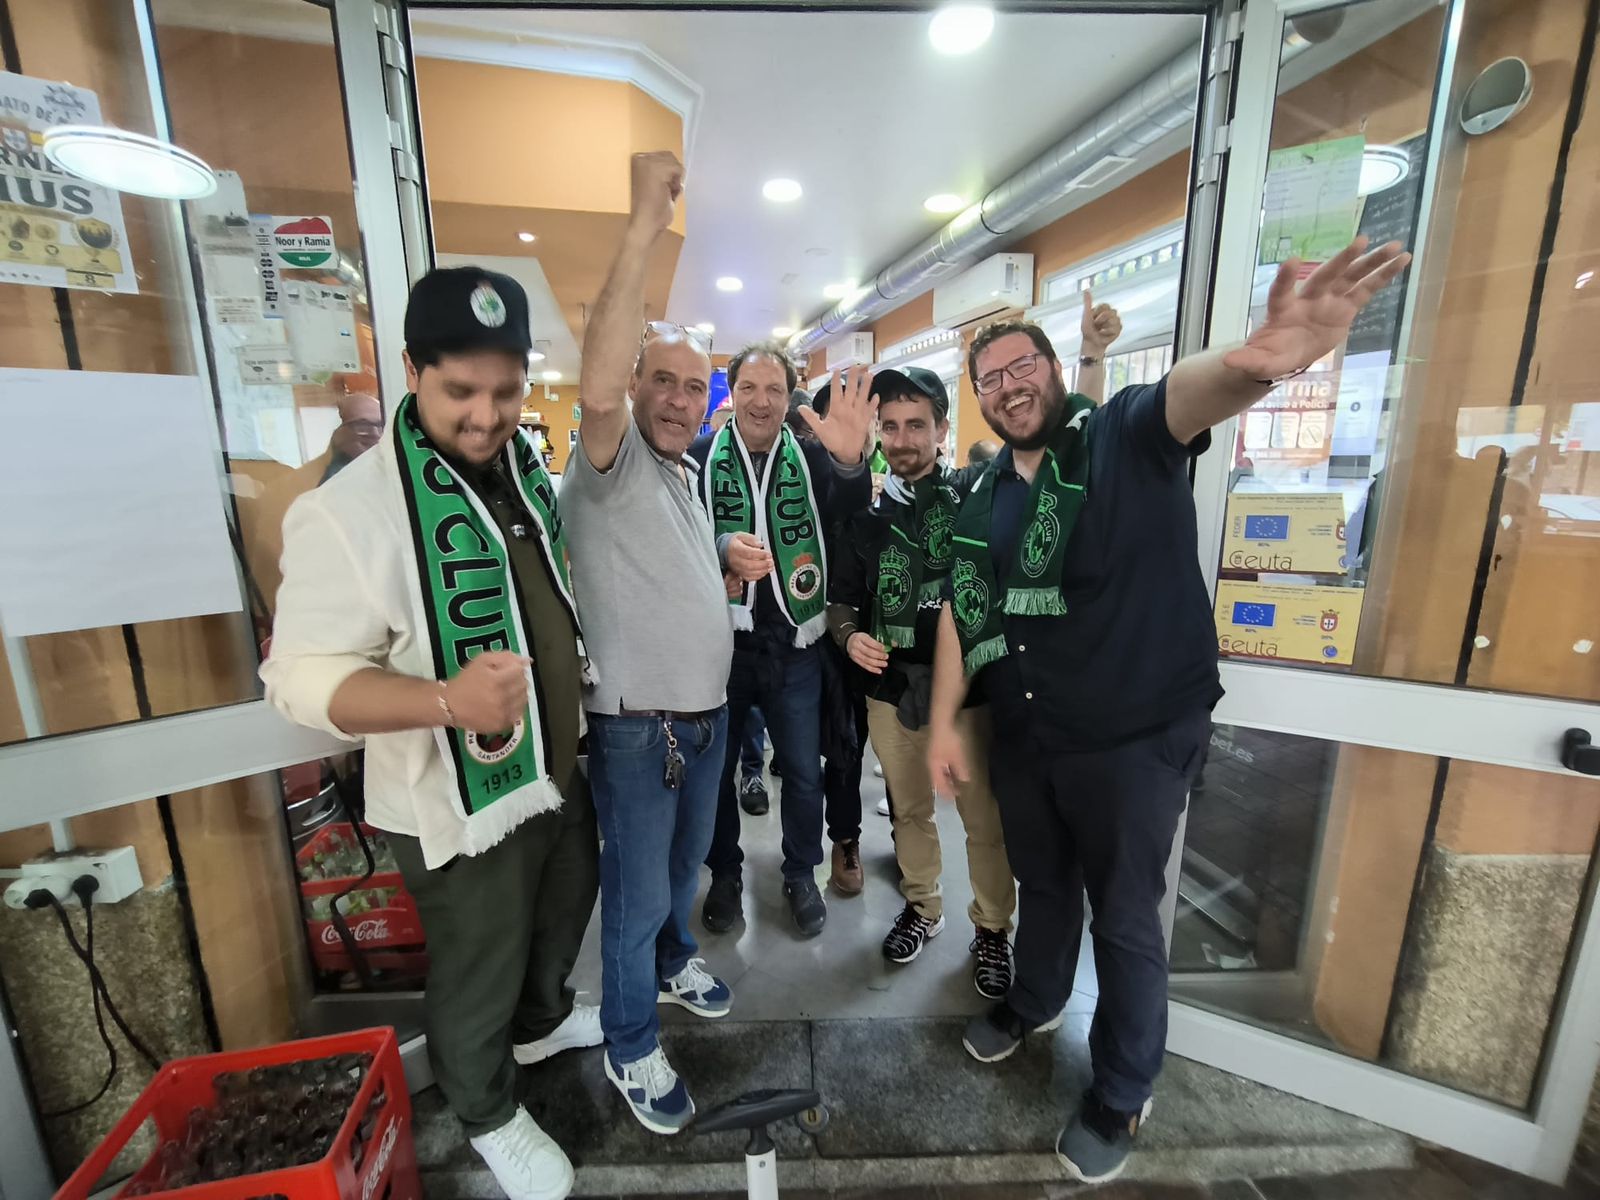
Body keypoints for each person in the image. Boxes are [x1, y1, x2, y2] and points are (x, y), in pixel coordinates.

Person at [927, 237, 1410, 1185]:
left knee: (1126, 916)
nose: (1011, 386)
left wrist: (1257, 360)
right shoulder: (981, 491)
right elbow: (958, 605)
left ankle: (1121, 1087)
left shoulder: (1118, 437)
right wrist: (947, 719)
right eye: (992, 378)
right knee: (1045, 886)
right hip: (1030, 732)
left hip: (1134, 734)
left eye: (1025, 366)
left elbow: (1189, 394)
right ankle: (1034, 1001)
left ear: (1058, 373)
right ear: (978, 400)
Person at [263, 265, 607, 1200]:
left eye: (504, 391)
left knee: (563, 912)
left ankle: (539, 1024)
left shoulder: (516, 475)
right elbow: (297, 683)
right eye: (461, 390)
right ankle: (486, 1106)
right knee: (480, 960)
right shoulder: (348, 511)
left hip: (548, 770)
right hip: (453, 795)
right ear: (411, 371)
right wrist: (445, 704)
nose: (487, 414)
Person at [560, 151, 757, 1137]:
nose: (681, 398)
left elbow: (658, 563)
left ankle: (677, 961)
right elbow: (594, 384)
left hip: (703, 721)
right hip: (643, 733)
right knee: (634, 901)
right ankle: (630, 1040)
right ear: (634, 384)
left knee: (680, 877)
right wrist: (642, 225)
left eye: (696, 385)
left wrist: (719, 552)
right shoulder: (608, 453)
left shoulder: (678, 474)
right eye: (663, 381)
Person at [688, 346, 875, 936]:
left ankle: (800, 872)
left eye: (774, 388)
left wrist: (851, 466)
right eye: (748, 387)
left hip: (796, 643)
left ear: (790, 395)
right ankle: (725, 874)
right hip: (722, 645)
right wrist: (720, 550)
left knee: (802, 770)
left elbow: (849, 515)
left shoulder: (816, 460)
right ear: (731, 392)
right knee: (716, 772)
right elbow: (676, 542)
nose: (761, 400)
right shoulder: (697, 459)